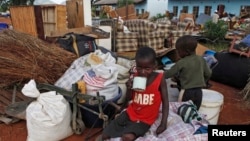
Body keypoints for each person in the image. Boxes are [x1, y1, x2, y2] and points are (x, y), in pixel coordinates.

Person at [99, 46, 169, 141]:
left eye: (147, 69)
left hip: (145, 119)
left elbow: (165, 102)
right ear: (136, 65)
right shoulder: (135, 76)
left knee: (127, 137)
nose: (143, 72)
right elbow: (129, 98)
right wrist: (129, 88)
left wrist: (163, 123)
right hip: (131, 113)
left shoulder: (160, 79)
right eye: (139, 68)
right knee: (105, 134)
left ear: (154, 66)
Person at [164, 35, 212, 110]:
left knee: (183, 111)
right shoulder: (201, 59)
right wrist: (204, 81)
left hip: (186, 92)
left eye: (178, 51)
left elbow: (168, 74)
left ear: (186, 52)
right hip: (199, 92)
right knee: (194, 112)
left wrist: (157, 75)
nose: (177, 53)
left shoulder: (182, 62)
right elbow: (208, 73)